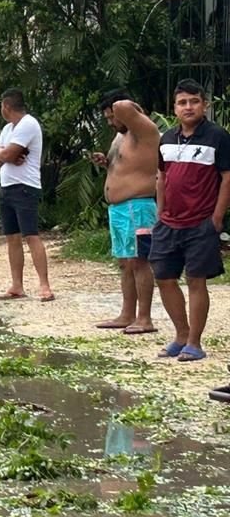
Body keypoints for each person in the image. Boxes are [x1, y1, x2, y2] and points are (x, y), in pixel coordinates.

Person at [150, 79, 230, 362]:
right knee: (164, 278)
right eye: (182, 102)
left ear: (204, 105)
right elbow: (162, 176)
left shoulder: (217, 136)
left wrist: (217, 218)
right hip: (168, 223)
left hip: (200, 223)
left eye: (194, 101)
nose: (188, 107)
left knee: (196, 281)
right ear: (174, 108)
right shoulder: (167, 138)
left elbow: (227, 178)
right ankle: (180, 335)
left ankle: (194, 342)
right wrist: (160, 214)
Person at [91, 91, 160, 334]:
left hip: (137, 207)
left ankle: (145, 317)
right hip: (118, 209)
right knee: (124, 263)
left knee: (139, 261)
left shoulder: (145, 132)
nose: (110, 122)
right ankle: (127, 313)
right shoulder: (120, 137)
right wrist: (105, 162)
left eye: (113, 116)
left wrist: (127, 105)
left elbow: (123, 106)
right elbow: (122, 165)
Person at [0, 88, 54, 302]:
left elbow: (6, 154)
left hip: (24, 186)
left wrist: (5, 155)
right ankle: (17, 284)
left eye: (1, 106)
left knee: (31, 235)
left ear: (6, 106)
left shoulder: (28, 124)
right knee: (12, 237)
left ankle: (44, 285)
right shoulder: (8, 129)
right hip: (7, 186)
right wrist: (5, 155)